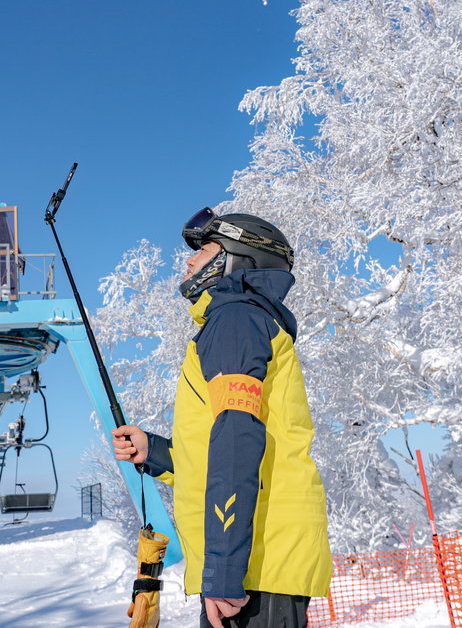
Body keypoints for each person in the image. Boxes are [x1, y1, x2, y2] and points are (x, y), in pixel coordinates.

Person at [112, 208, 331, 628]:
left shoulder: (235, 320)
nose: (189, 261)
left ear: (235, 259)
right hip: (255, 562)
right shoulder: (237, 321)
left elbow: (236, 443)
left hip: (254, 569)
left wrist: (224, 573)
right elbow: (223, 445)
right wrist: (153, 451)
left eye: (204, 250)